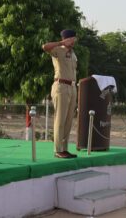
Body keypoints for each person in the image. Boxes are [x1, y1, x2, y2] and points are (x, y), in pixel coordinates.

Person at [42, 29, 78, 158]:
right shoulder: (58, 49)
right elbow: (45, 47)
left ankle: (64, 148)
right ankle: (58, 149)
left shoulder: (73, 53)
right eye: (72, 38)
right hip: (61, 86)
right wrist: (61, 42)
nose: (74, 41)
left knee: (68, 120)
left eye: (74, 39)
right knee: (60, 119)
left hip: (72, 86)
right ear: (66, 39)